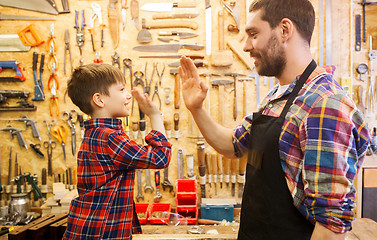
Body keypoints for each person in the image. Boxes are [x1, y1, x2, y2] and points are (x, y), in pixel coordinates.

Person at [178, 0, 370, 239]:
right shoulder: (277, 97)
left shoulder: (324, 106)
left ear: (285, 30)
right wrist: (196, 109)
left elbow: (329, 227)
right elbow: (233, 145)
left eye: (253, 34)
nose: (246, 46)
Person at [63, 63, 172, 240]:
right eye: (121, 89)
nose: (128, 95)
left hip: (92, 228)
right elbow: (160, 158)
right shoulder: (110, 138)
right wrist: (154, 115)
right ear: (99, 100)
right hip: (103, 232)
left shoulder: (96, 133)